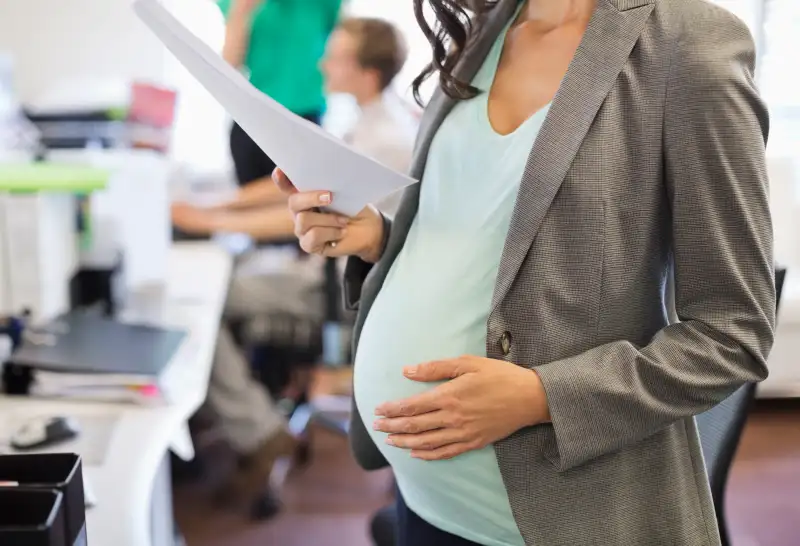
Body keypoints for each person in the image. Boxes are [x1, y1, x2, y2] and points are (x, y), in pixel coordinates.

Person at [276, 0, 775, 545]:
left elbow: (734, 332)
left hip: (557, 518)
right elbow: (486, 227)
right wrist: (378, 236)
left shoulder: (688, 42)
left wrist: (543, 395)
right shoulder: (487, 28)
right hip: (423, 500)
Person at [173, 16, 415, 515]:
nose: (322, 61)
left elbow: (303, 216)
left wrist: (207, 219)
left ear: (365, 72)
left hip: (336, 288)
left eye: (337, 54)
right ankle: (250, 422)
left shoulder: (385, 137)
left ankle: (258, 433)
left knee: (199, 300)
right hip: (319, 275)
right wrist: (223, 203)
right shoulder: (368, 119)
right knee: (219, 280)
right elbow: (299, 181)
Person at [219, 0, 343, 188]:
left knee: (306, 202)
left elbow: (342, 46)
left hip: (305, 117)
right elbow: (231, 62)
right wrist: (241, 11)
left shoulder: (321, 5)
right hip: (252, 119)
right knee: (250, 206)